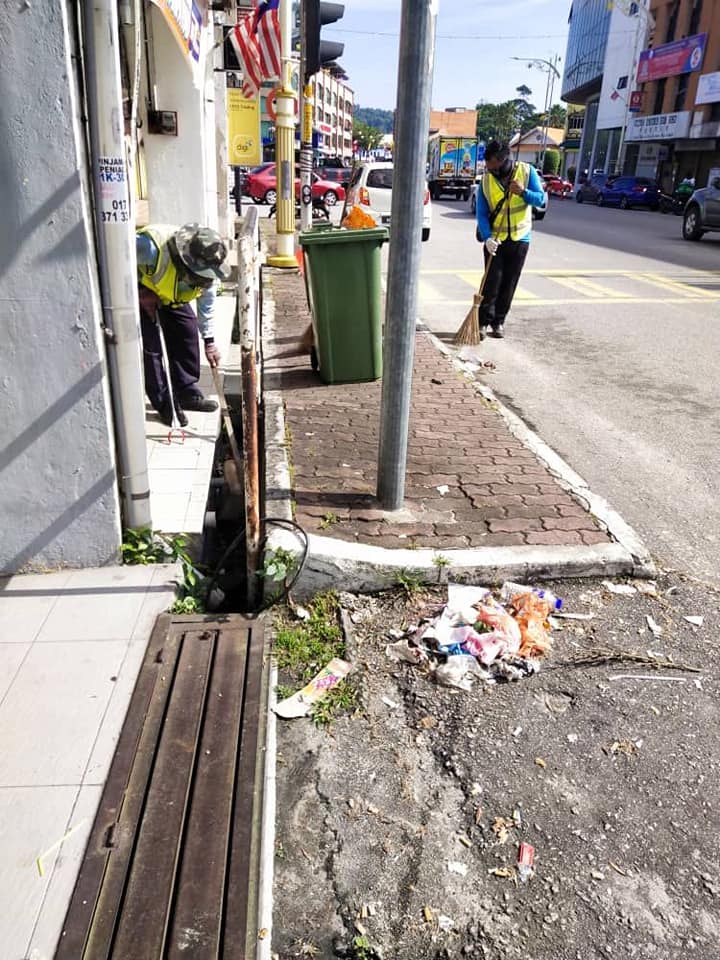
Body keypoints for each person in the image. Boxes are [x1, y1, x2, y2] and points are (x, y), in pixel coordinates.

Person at [136, 223, 231, 427]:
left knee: (187, 330)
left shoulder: (210, 267)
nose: (203, 281)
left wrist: (210, 341)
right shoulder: (148, 248)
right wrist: (140, 291)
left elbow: (206, 306)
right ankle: (164, 402)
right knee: (152, 347)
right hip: (143, 293)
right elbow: (116, 260)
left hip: (171, 296)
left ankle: (185, 390)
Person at [474, 140, 545, 339]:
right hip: (495, 240)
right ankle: (482, 323)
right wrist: (487, 238)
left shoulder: (527, 172)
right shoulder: (486, 181)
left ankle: (498, 322)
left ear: (504, 160)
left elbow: (541, 199)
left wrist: (523, 192)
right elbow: (481, 212)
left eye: (495, 167)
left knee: (509, 282)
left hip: (520, 238)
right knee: (491, 282)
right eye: (489, 167)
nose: (492, 171)